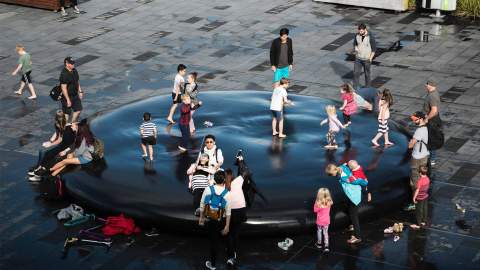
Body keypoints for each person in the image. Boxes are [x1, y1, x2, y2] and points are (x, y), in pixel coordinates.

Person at [199, 171, 231, 270]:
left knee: (213, 242)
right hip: (222, 220)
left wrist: (201, 218)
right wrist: (227, 226)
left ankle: (212, 265)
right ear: (224, 180)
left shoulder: (208, 189)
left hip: (211, 220)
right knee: (225, 240)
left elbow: (202, 205)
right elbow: (228, 211)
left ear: (214, 179)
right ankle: (230, 258)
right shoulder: (227, 193)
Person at [325, 163, 362, 244]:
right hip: (352, 195)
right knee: (346, 208)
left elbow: (347, 178)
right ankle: (352, 225)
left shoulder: (342, 176)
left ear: (334, 170)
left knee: (354, 216)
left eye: (332, 175)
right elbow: (346, 164)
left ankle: (358, 237)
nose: (333, 176)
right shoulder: (342, 167)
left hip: (354, 197)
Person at [406, 111, 430, 211]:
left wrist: (409, 143)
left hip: (417, 157)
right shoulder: (427, 126)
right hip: (425, 155)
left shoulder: (419, 131)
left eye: (415, 119)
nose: (414, 121)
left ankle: (415, 201)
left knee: (415, 180)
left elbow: (411, 145)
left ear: (420, 119)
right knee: (422, 176)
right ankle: (423, 193)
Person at [225, 169, 247, 266]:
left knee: (229, 235)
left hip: (231, 212)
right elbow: (246, 172)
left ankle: (231, 256)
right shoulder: (238, 180)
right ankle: (234, 253)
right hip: (241, 210)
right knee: (236, 234)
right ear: (232, 175)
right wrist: (240, 160)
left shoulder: (223, 186)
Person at [353, 23, 376, 90]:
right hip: (358, 58)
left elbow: (374, 49)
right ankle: (355, 88)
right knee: (355, 73)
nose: (360, 32)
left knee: (367, 74)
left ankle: (367, 88)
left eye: (361, 31)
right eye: (359, 31)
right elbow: (355, 43)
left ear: (365, 29)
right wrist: (355, 48)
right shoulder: (357, 35)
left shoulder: (370, 36)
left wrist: (370, 58)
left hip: (367, 59)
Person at [60, 57, 84, 123]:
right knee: (67, 114)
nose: (73, 65)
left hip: (75, 95)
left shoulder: (74, 70)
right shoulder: (64, 74)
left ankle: (72, 123)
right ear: (67, 64)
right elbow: (63, 88)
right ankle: (63, 129)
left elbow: (77, 81)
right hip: (66, 97)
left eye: (73, 63)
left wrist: (80, 91)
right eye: (71, 63)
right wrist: (68, 100)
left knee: (78, 110)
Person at [423, 81, 442, 166]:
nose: (425, 85)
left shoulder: (432, 96)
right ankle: (430, 157)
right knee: (430, 139)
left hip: (432, 120)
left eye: (427, 84)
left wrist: (427, 118)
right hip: (433, 119)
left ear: (430, 85)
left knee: (431, 140)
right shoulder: (433, 93)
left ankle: (432, 159)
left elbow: (434, 110)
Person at [314, 188, 333, 252]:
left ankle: (319, 243)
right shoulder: (329, 202)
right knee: (326, 233)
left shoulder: (318, 203)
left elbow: (315, 210)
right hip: (326, 221)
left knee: (319, 231)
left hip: (320, 221)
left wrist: (316, 203)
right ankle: (326, 246)